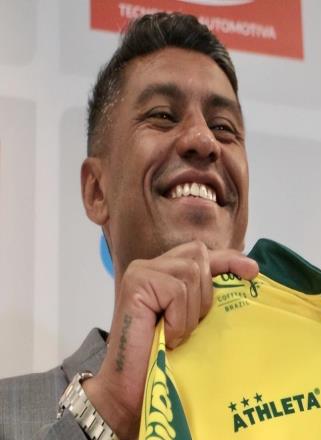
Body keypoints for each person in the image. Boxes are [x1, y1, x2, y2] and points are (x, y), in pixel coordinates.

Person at [0, 12, 258, 440]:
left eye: (223, 127)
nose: (203, 140)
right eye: (163, 116)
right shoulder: (7, 415)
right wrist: (111, 407)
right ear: (96, 191)